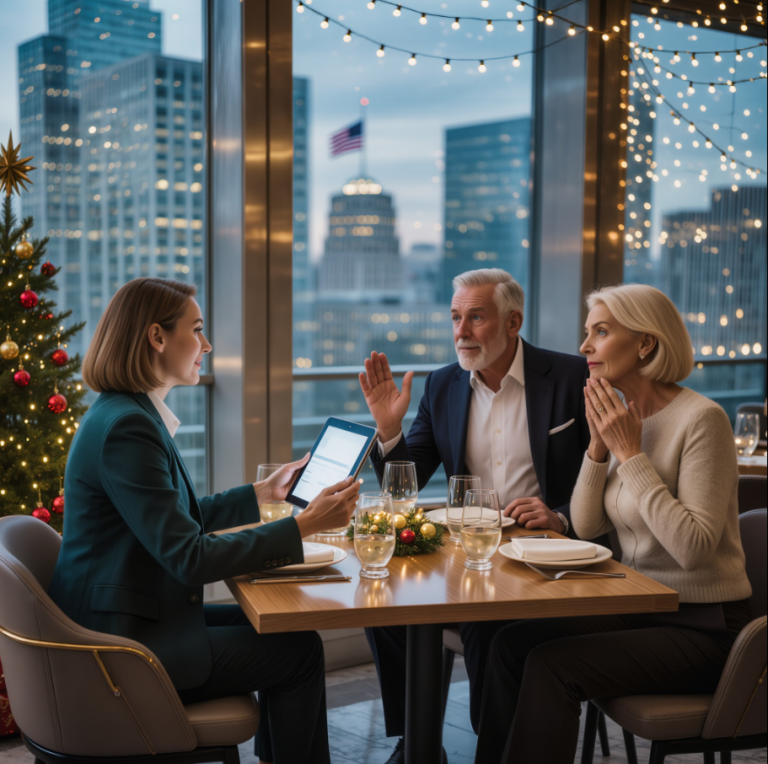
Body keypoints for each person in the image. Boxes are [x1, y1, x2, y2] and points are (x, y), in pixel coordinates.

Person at [48, 278, 360, 764]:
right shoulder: (129, 428)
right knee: (299, 655)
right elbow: (187, 556)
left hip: (127, 617)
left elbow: (174, 522)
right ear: (157, 337)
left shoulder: (126, 414)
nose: (207, 345)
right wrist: (303, 526)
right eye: (197, 330)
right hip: (119, 647)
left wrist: (261, 494)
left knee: (286, 634)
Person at [473, 283, 753, 764]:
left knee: (550, 665)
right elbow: (584, 523)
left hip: (704, 628)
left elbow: (694, 548)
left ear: (645, 343)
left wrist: (630, 453)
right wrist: (598, 448)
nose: (584, 347)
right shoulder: (625, 417)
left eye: (600, 332)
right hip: (642, 604)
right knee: (509, 642)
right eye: (588, 333)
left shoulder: (702, 420)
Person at [358, 268, 592, 763]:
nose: (461, 331)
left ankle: (496, 747)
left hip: (550, 556)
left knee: (489, 624)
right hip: (473, 552)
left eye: (476, 318)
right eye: (456, 317)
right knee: (380, 596)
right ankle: (417, 740)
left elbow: (607, 473)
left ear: (513, 322)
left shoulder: (572, 377)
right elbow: (407, 480)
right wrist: (389, 429)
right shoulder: (443, 386)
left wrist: (561, 515)